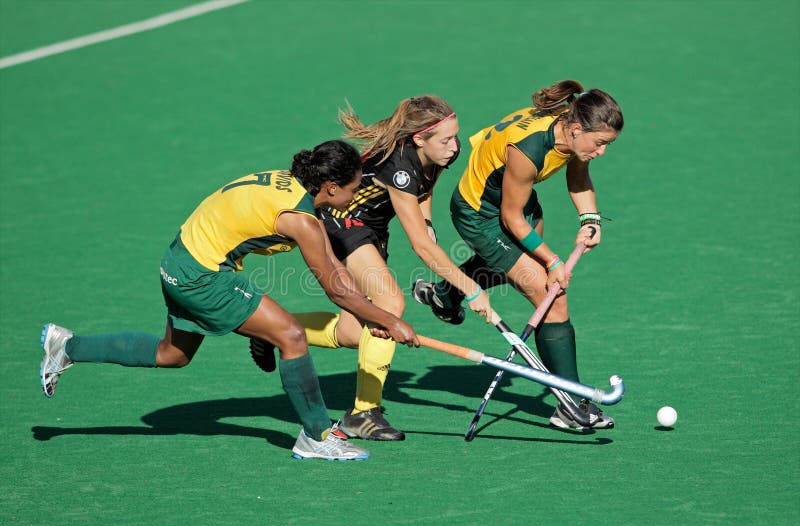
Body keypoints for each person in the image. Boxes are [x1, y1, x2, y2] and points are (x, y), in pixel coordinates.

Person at [39, 140, 419, 461]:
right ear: (332, 187)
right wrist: (389, 320)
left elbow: (335, 268)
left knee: (172, 354)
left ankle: (66, 346)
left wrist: (374, 316)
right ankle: (317, 437)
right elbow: (336, 288)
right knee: (291, 335)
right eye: (353, 189)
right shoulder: (300, 219)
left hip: (178, 258)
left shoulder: (291, 184)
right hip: (202, 275)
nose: (355, 198)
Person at [250, 96, 493, 441]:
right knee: (389, 305)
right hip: (340, 220)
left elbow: (425, 189)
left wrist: (426, 222)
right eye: (446, 140)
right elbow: (422, 248)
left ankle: (271, 330)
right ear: (418, 139)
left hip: (371, 231)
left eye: (455, 137)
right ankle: (364, 413)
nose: (454, 147)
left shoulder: (433, 154)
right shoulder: (399, 168)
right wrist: (471, 289)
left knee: (355, 333)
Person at [412, 80, 624, 429]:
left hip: (517, 203)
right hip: (481, 214)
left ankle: (445, 294)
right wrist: (554, 261)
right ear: (575, 129)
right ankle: (571, 404)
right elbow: (509, 219)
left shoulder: (568, 129)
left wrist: (590, 217)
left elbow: (578, 169)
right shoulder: (529, 151)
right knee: (551, 295)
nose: (601, 152)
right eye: (600, 143)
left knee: (513, 265)